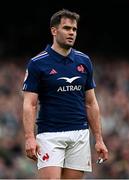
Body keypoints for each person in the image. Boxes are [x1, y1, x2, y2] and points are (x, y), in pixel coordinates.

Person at [22, 9, 108, 179]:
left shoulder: (84, 61)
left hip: (79, 134)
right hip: (50, 135)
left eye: (74, 29)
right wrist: (29, 137)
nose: (71, 33)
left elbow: (91, 102)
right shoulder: (37, 63)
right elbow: (30, 104)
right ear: (54, 31)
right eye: (67, 28)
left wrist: (98, 139)